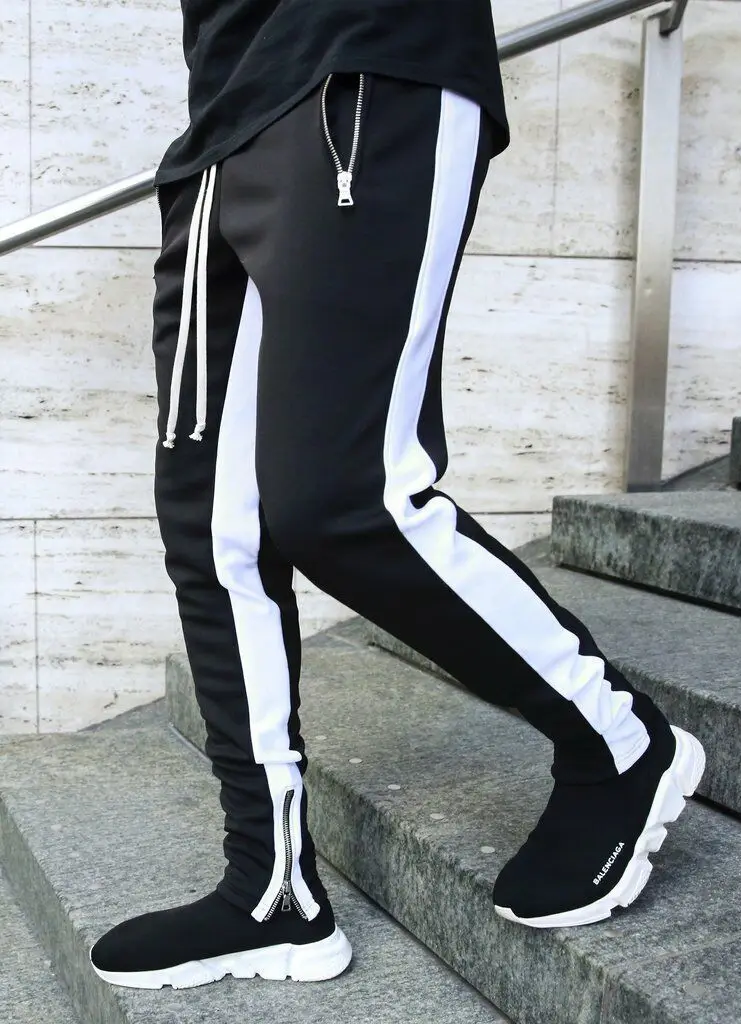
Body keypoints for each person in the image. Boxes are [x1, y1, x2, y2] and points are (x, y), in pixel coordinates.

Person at [90, 0, 706, 991]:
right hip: (218, 124)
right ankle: (271, 889)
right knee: (212, 531)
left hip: (362, 61)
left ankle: (615, 739)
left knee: (344, 498)